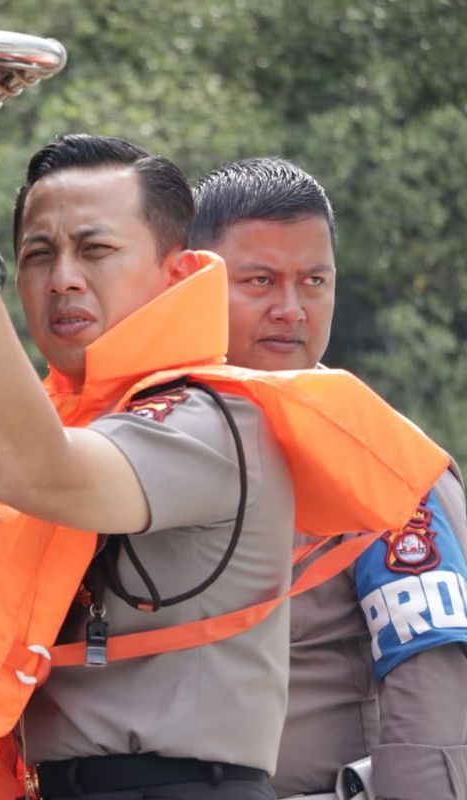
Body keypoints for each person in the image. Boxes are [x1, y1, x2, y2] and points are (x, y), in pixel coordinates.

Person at [0, 110, 299, 799]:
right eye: (38, 254)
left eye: (95, 250)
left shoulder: (212, 421)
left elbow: (32, 469)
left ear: (176, 273)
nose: (62, 278)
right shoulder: (79, 413)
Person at [191, 157, 467, 800]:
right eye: (260, 280)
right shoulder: (137, 436)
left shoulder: (377, 457)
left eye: (313, 280)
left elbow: (431, 691)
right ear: (191, 281)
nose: (292, 309)